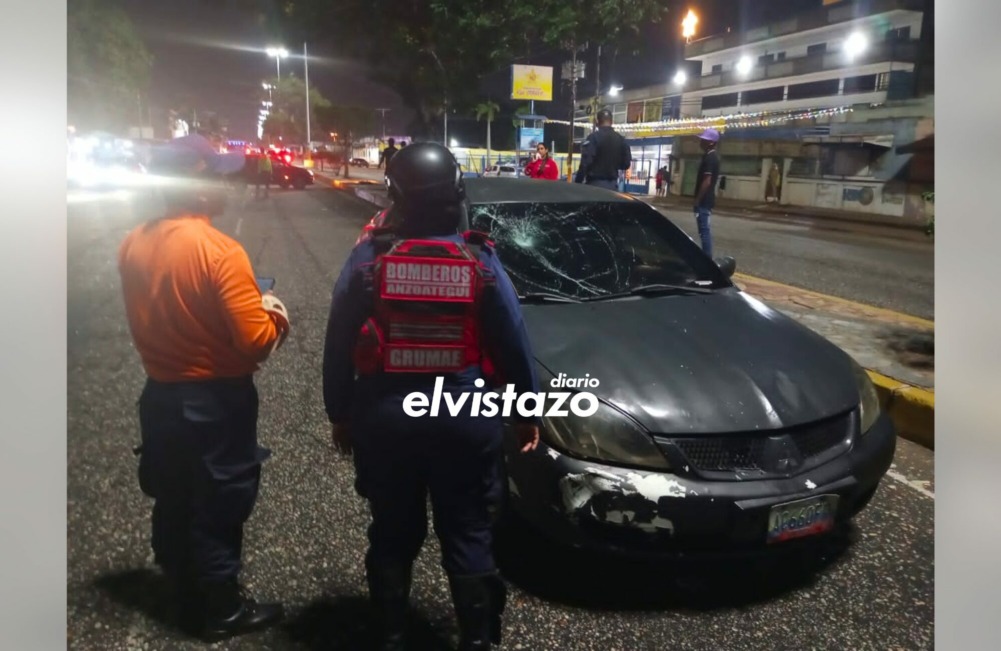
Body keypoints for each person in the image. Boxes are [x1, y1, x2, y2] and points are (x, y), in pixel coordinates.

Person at [322, 142, 541, 651]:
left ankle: (392, 634)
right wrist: (526, 412)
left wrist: (340, 412)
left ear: (396, 196)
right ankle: (478, 640)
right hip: (463, 419)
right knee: (467, 530)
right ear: (456, 193)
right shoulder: (480, 260)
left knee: (394, 531)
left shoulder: (368, 261)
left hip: (385, 418)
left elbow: (337, 343)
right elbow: (513, 341)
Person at [118, 134, 291, 642]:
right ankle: (222, 609)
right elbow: (255, 340)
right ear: (196, 186)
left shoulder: (134, 240)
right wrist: (274, 311)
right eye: (218, 175)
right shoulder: (220, 250)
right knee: (220, 498)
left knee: (172, 494)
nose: (230, 183)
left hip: (160, 394)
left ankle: (181, 588)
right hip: (216, 400)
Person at [573, 108, 632, 190]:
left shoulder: (593, 138)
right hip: (613, 186)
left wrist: (577, 183)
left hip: (594, 186)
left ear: (597, 122)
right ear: (612, 122)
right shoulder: (621, 139)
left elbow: (585, 163)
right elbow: (626, 164)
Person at [693, 128, 722, 258]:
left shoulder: (711, 158)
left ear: (711, 142)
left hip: (704, 201)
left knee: (704, 231)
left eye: (703, 139)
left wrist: (698, 199)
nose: (701, 141)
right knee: (703, 231)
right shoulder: (709, 156)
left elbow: (707, 181)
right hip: (705, 200)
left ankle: (707, 259)